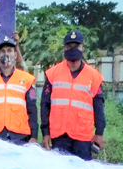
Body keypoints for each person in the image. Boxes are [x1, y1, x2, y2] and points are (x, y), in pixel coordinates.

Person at [41, 30, 106, 161]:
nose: (72, 49)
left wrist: (99, 133)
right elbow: (44, 105)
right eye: (69, 46)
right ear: (64, 49)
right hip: (59, 136)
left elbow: (99, 107)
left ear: (83, 48)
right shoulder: (52, 74)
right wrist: (46, 133)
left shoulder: (94, 76)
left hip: (83, 137)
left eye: (76, 46)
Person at [0, 36, 38, 145]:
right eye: (2, 51)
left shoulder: (27, 79)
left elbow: (32, 110)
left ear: (15, 54)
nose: (6, 54)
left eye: (9, 50)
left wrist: (34, 136)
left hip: (20, 136)